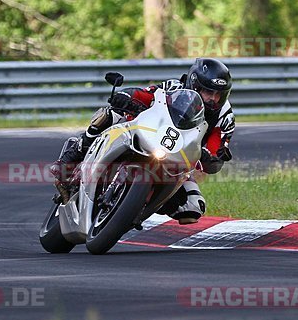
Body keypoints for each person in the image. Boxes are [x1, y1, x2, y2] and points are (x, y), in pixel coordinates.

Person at [49, 58, 235, 224]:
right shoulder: (175, 88)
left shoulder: (224, 116)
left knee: (193, 209)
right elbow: (147, 95)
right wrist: (127, 96)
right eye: (208, 92)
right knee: (111, 115)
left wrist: (213, 155)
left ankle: (139, 209)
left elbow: (217, 144)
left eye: (218, 94)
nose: (213, 99)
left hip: (179, 161)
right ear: (195, 84)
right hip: (149, 134)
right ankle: (75, 152)